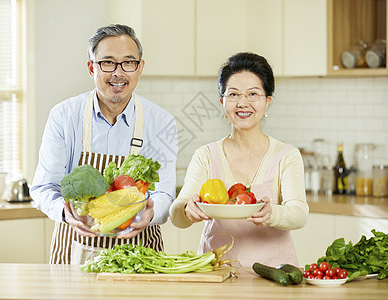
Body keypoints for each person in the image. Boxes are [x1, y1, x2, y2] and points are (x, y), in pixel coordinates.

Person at [31, 24, 178, 264]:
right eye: (107, 63)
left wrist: (151, 212)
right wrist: (67, 214)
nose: (118, 73)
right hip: (74, 251)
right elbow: (43, 188)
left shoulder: (161, 122)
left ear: (140, 68)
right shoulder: (64, 116)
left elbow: (164, 193)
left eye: (128, 63)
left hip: (139, 253)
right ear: (91, 67)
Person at [169, 52, 308, 268]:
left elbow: (299, 213)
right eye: (233, 95)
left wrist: (273, 213)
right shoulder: (206, 155)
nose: (242, 103)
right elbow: (177, 213)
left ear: (267, 101)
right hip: (216, 272)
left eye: (253, 94)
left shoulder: (286, 155)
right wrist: (186, 210)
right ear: (222, 102)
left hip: (275, 274)